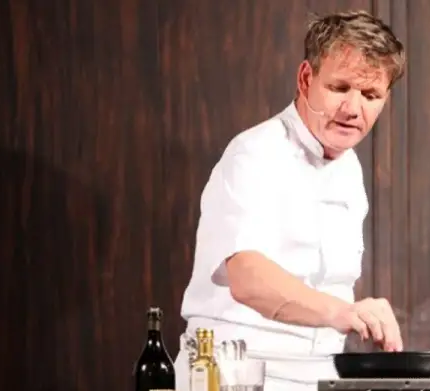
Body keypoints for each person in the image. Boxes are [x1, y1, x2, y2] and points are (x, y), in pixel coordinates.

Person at [174, 9, 407, 391]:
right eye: (339, 88)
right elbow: (247, 277)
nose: (353, 109)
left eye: (370, 95)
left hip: (319, 376)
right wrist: (345, 313)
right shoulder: (253, 153)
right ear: (305, 79)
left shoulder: (350, 170)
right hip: (234, 373)